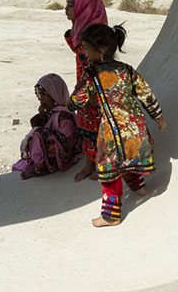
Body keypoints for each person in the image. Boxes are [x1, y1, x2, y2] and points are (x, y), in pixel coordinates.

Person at [68, 23, 168, 227]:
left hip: (112, 133)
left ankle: (111, 216)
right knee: (128, 160)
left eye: (87, 49)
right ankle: (139, 188)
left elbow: (78, 99)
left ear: (100, 51)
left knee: (109, 172)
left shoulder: (92, 74)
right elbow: (146, 94)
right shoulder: (127, 70)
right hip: (136, 129)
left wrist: (70, 104)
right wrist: (158, 117)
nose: (85, 53)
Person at [63, 0, 108, 181]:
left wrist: (92, 90)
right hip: (83, 86)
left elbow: (101, 66)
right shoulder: (81, 31)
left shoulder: (97, 37)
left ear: (84, 8)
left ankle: (102, 163)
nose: (66, 9)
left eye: (71, 5)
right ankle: (89, 162)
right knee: (86, 125)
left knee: (99, 127)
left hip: (96, 89)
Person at [11, 73, 82, 179]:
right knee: (37, 132)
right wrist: (42, 116)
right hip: (54, 153)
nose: (41, 99)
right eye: (39, 95)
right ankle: (38, 162)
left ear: (55, 94)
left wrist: (45, 136)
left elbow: (67, 143)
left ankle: (40, 167)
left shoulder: (65, 117)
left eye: (44, 95)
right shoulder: (52, 112)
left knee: (38, 133)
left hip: (64, 156)